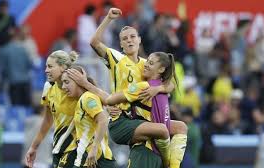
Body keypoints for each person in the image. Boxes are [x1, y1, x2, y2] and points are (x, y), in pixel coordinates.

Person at [89, 7, 187, 168]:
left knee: (181, 127)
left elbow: (170, 83)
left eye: (133, 36)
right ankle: (168, 162)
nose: (129, 40)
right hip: (121, 118)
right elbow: (94, 43)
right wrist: (108, 18)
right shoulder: (117, 58)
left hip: (143, 118)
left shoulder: (146, 65)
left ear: (139, 40)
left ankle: (171, 162)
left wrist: (158, 89)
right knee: (162, 131)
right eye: (125, 38)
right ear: (120, 44)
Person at [24, 50, 79, 168]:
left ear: (62, 67)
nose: (46, 70)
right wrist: (34, 147)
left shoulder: (79, 85)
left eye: (50, 66)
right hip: (59, 147)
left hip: (79, 148)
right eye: (46, 66)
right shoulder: (48, 87)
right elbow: (48, 121)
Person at [61, 66, 116, 167]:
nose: (63, 86)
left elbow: (103, 120)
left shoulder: (88, 98)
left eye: (66, 82)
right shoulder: (81, 100)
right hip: (86, 157)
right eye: (62, 83)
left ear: (78, 82)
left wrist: (94, 148)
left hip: (96, 158)